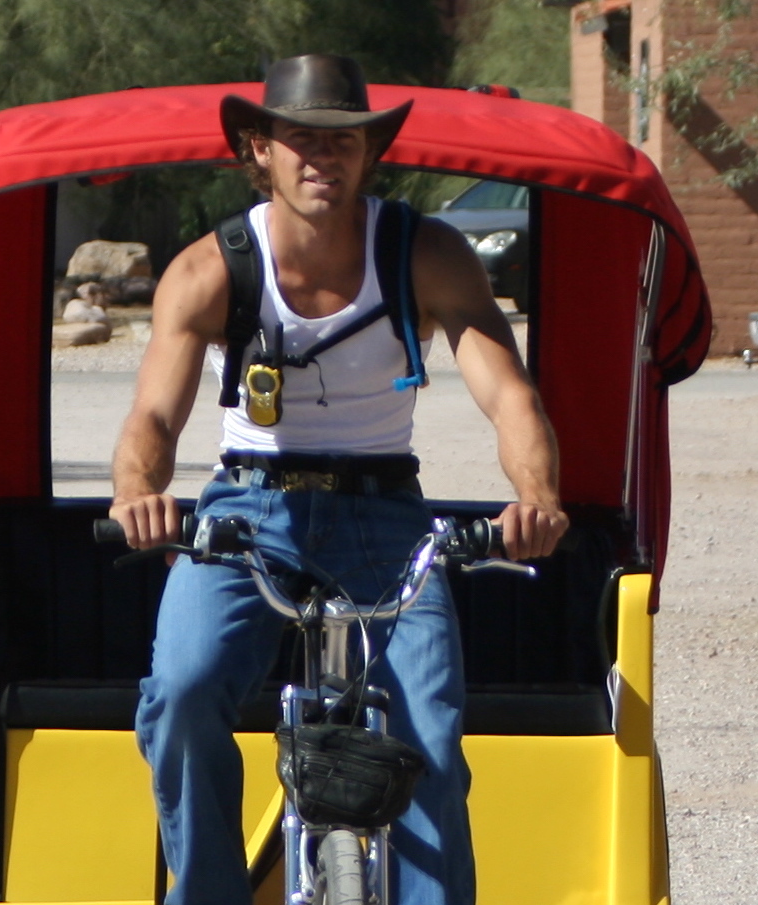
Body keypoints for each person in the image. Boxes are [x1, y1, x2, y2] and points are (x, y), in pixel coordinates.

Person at [109, 53, 568, 905]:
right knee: (181, 689)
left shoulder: (423, 255)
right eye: (301, 140)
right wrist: (140, 493)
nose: (324, 157)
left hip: (385, 516)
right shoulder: (213, 269)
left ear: (369, 154)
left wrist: (537, 502)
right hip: (249, 511)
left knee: (429, 725)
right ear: (261, 151)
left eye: (344, 141)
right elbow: (154, 420)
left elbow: (510, 395)